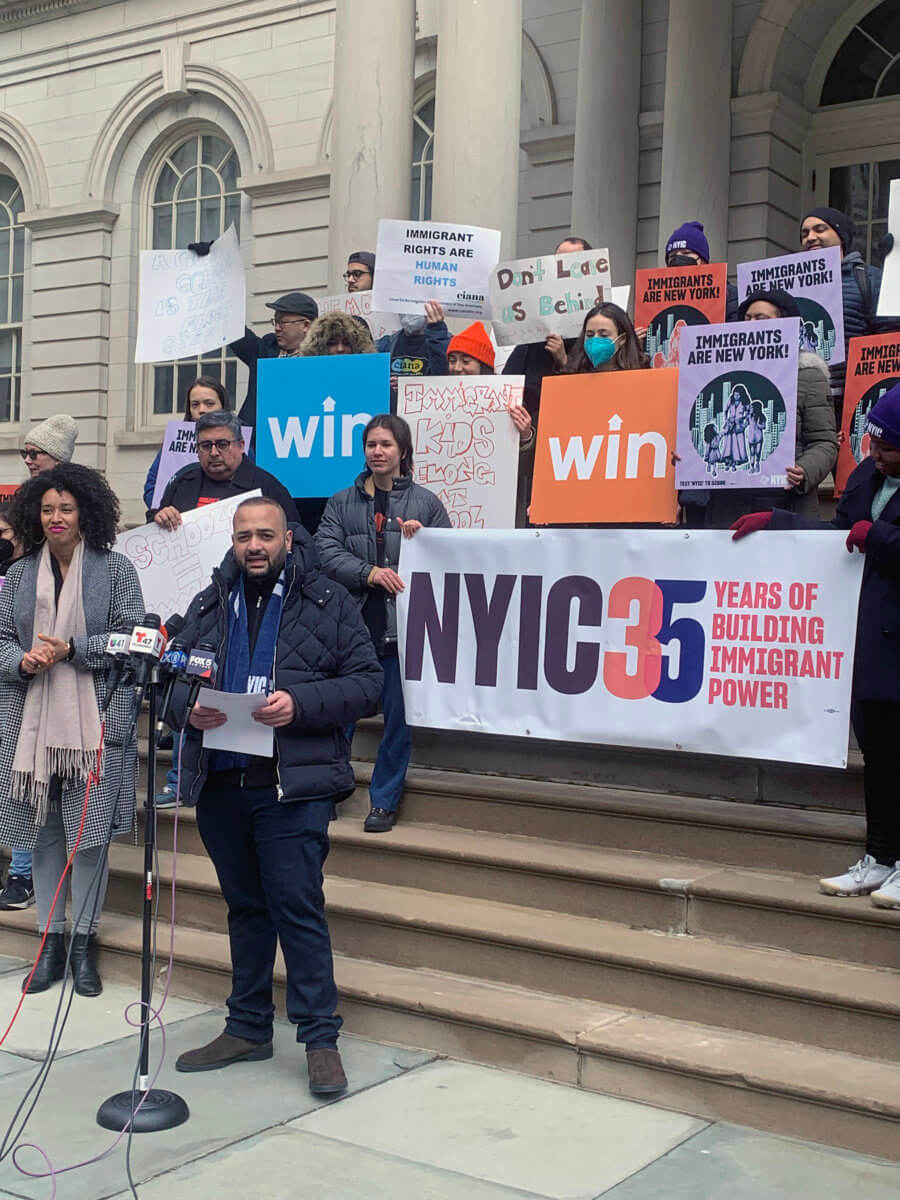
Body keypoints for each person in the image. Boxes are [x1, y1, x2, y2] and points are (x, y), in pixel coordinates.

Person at [171, 497, 382, 1092]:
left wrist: (300, 704)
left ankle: (320, 1039)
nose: (254, 546)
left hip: (292, 787)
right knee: (245, 910)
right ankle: (247, 1027)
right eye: (244, 537)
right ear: (233, 542)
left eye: (265, 535)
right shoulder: (209, 602)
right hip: (222, 784)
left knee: (298, 910)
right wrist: (190, 709)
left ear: (289, 538)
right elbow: (173, 682)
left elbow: (368, 684)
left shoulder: (328, 601)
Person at [730, 381, 900, 909]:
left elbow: (869, 536)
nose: (874, 453)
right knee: (879, 755)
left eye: (887, 446)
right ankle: (880, 857)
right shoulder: (866, 480)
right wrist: (780, 523)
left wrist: (877, 537)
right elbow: (838, 537)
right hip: (869, 639)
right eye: (873, 443)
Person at [0, 464, 144, 996]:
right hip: (28, 726)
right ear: (34, 515)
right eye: (46, 509)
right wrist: (23, 660)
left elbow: (133, 639)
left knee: (88, 839)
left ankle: (83, 943)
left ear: (86, 512)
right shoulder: (17, 575)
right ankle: (49, 942)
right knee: (42, 833)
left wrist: (73, 650)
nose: (56, 518)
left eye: (66, 508)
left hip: (98, 721)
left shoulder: (117, 568)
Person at [316, 415, 451, 832]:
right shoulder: (341, 501)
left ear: (403, 451)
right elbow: (324, 550)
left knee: (398, 719)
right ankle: (331, 791)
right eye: (372, 444)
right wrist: (369, 573)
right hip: (352, 628)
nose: (378, 451)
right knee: (338, 715)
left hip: (403, 632)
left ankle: (384, 801)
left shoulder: (426, 503)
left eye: (386, 444)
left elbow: (449, 556)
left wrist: (423, 538)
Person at [0, 415, 80, 912]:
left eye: (37, 453)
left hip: (71, 671)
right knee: (23, 776)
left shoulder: (83, 506)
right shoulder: (18, 516)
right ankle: (24, 868)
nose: (29, 459)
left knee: (49, 783)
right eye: (26, 452)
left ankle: (30, 872)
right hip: (21, 669)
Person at [703, 287, 838, 529]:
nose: (751, 324)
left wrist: (804, 470)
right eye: (746, 319)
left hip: (785, 503)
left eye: (760, 318)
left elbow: (825, 442)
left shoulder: (808, 377)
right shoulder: (721, 375)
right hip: (728, 505)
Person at [799, 207, 898, 410]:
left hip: (850, 399)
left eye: (820, 229)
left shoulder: (868, 279)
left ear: (841, 236)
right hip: (802, 400)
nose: (811, 237)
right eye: (805, 233)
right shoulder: (789, 285)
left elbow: (889, 339)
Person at [447, 321, 535, 525]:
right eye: (452, 360)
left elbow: (524, 470)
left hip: (497, 507)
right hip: (452, 504)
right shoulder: (434, 403)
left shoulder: (509, 401)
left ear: (482, 364)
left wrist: (525, 436)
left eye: (466, 361)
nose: (457, 368)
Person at [151, 411, 299, 530]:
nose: (214, 452)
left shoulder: (268, 488)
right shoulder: (182, 481)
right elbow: (153, 532)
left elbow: (297, 540)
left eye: (223, 444)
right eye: (206, 445)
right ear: (197, 449)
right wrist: (160, 518)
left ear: (241, 446)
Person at [501, 237, 591, 419]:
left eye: (572, 264)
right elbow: (508, 383)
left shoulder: (598, 326)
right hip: (534, 427)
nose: (564, 269)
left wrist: (564, 361)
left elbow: (595, 392)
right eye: (559, 263)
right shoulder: (535, 324)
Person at [0, 505, 33, 911]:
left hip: (17, 689)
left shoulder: (31, 577)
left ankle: (22, 873)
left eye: (5, 531)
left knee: (18, 786)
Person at [229, 291, 319, 431]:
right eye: (275, 321)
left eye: (283, 322)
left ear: (306, 325)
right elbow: (237, 334)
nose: (277, 328)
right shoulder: (265, 349)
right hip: (255, 440)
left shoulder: (321, 360)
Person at [142, 376, 231, 513]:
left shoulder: (239, 443)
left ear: (222, 406)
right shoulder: (173, 442)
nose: (202, 410)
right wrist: (163, 511)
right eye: (195, 404)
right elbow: (153, 486)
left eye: (209, 404)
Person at [662, 221, 739, 321]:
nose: (678, 258)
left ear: (703, 261)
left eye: (686, 253)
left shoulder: (730, 297)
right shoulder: (660, 298)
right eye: (672, 255)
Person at [376, 300, 451, 402]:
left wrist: (410, 386)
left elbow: (446, 384)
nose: (409, 312)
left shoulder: (445, 343)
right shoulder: (385, 345)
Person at [562, 301, 649, 374]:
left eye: (603, 335)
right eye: (589, 335)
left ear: (622, 339)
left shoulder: (641, 375)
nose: (595, 340)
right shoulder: (573, 376)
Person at [19, 413, 79, 479]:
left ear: (57, 459)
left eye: (33, 453)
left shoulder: (59, 489)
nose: (26, 460)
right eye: (24, 453)